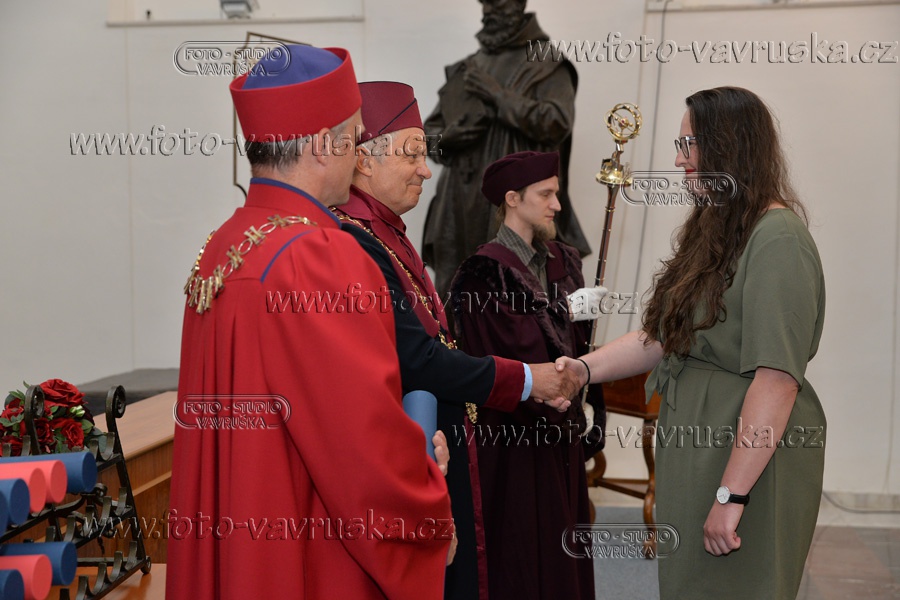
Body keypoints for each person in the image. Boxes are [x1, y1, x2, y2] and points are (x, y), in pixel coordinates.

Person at [168, 45, 454, 600]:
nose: (358, 156)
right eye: (354, 138)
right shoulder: (319, 254)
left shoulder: (222, 246)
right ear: (324, 145)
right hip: (309, 553)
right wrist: (424, 493)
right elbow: (361, 443)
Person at [557, 87, 827, 599]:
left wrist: (732, 496)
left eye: (689, 144)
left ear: (728, 146)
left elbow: (777, 380)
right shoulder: (717, 231)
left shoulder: (778, 239)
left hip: (747, 460)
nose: (679, 160)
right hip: (698, 451)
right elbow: (663, 337)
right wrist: (581, 369)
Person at [332, 82, 583, 600]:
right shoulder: (355, 240)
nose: (426, 171)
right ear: (364, 160)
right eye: (413, 155)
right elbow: (419, 358)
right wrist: (529, 379)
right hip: (400, 459)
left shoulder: (388, 232)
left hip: (441, 444)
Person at [450, 151, 607, 600]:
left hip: (562, 437)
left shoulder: (563, 260)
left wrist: (584, 328)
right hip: (515, 441)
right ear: (512, 198)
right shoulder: (484, 274)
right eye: (546, 194)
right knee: (523, 555)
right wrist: (561, 386)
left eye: (557, 193)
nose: (557, 205)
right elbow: (512, 356)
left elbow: (575, 348)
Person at [422, 0, 590, 297]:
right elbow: (426, 137)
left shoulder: (546, 62)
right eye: (484, 3)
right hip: (458, 203)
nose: (488, 10)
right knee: (455, 295)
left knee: (509, 295)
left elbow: (557, 122)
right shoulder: (468, 67)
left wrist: (497, 95)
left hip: (511, 199)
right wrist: (449, 137)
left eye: (496, 3)